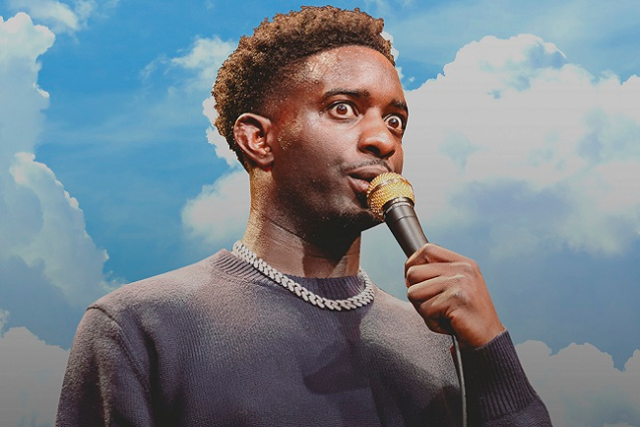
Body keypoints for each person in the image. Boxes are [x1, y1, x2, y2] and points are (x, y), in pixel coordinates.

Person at [56, 6, 552, 427]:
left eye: (395, 120)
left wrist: (490, 351)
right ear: (259, 139)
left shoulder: (435, 341)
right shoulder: (141, 326)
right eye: (343, 109)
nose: (383, 140)